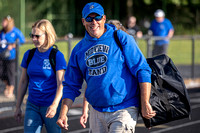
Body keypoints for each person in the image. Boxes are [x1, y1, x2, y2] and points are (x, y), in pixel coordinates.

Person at [57, 2, 156, 133]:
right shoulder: (78, 50)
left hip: (124, 108)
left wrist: (145, 102)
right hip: (96, 110)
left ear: (103, 18)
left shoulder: (120, 37)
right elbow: (71, 84)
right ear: (83, 21)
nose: (94, 22)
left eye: (97, 18)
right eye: (89, 18)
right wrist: (63, 113)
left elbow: (142, 69)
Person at [14, 19, 66, 133]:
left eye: (37, 36)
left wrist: (54, 105)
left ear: (47, 35)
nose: (33, 39)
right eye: (32, 35)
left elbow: (61, 84)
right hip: (32, 105)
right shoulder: (29, 54)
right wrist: (18, 106)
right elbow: (23, 81)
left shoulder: (57, 56)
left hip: (50, 106)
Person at [79, 19, 130, 129]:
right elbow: (91, 82)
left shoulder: (123, 44)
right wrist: (85, 110)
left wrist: (145, 105)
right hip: (99, 107)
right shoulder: (98, 51)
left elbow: (139, 74)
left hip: (122, 105)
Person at [0, 15, 25, 98]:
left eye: (4, 21)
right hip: (2, 56)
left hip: (11, 57)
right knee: (2, 73)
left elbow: (22, 40)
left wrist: (13, 45)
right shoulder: (2, 32)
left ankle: (11, 90)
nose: (3, 23)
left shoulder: (15, 31)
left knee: (10, 73)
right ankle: (7, 86)